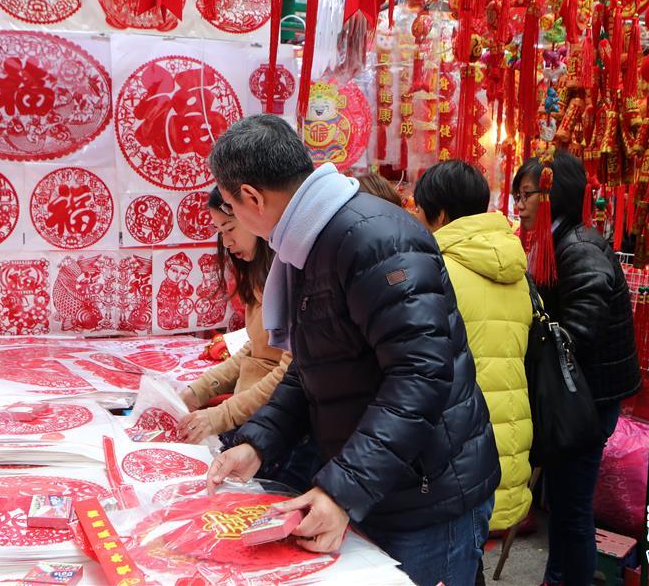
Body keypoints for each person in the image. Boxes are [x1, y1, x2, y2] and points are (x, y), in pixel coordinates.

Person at [204, 114, 499, 586]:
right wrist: (258, 442)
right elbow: (312, 365)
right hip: (378, 475)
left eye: (231, 208)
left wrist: (343, 490)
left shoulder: (371, 239)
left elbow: (419, 375)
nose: (234, 221)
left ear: (253, 198)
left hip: (426, 493)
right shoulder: (308, 238)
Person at [512, 152, 640, 586]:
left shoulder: (579, 247)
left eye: (526, 194)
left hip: (586, 397)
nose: (520, 204)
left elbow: (580, 330)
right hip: (575, 392)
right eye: (518, 195)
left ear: (553, 195)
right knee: (564, 503)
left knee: (572, 509)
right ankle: (558, 576)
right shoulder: (554, 240)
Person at [414, 160, 534, 581]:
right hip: (508, 437)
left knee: (455, 559)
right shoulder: (516, 268)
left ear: (441, 215)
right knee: (468, 553)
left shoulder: (437, 268)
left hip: (460, 446)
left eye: (420, 209)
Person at [177, 187, 291, 442]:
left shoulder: (288, 276)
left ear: (253, 212)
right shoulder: (260, 276)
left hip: (269, 427)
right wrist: (199, 391)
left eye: (230, 228)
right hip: (252, 417)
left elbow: (288, 371)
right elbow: (257, 349)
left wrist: (223, 415)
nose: (226, 242)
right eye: (220, 233)